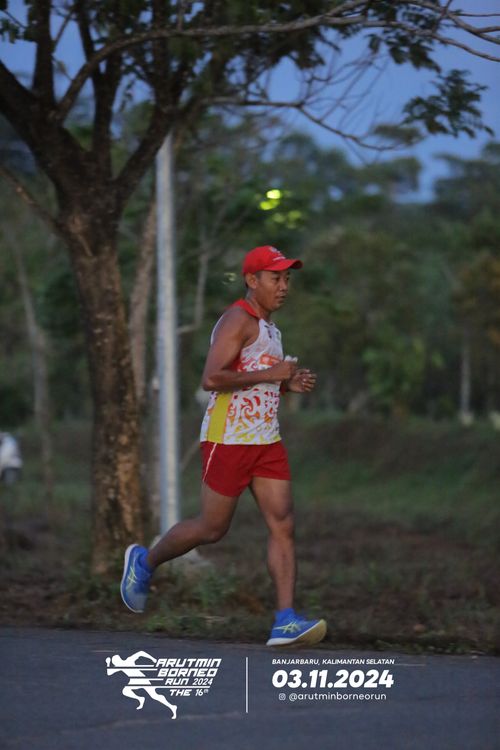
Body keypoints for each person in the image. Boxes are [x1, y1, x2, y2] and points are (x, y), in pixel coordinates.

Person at [121, 245, 327, 647]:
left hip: (266, 440)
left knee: (283, 524)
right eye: (276, 278)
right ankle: (144, 562)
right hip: (228, 439)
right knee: (212, 528)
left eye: (287, 279)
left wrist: (287, 383)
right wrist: (272, 373)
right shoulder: (238, 320)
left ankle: (285, 620)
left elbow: (257, 378)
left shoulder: (271, 330)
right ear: (252, 280)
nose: (284, 286)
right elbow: (212, 378)